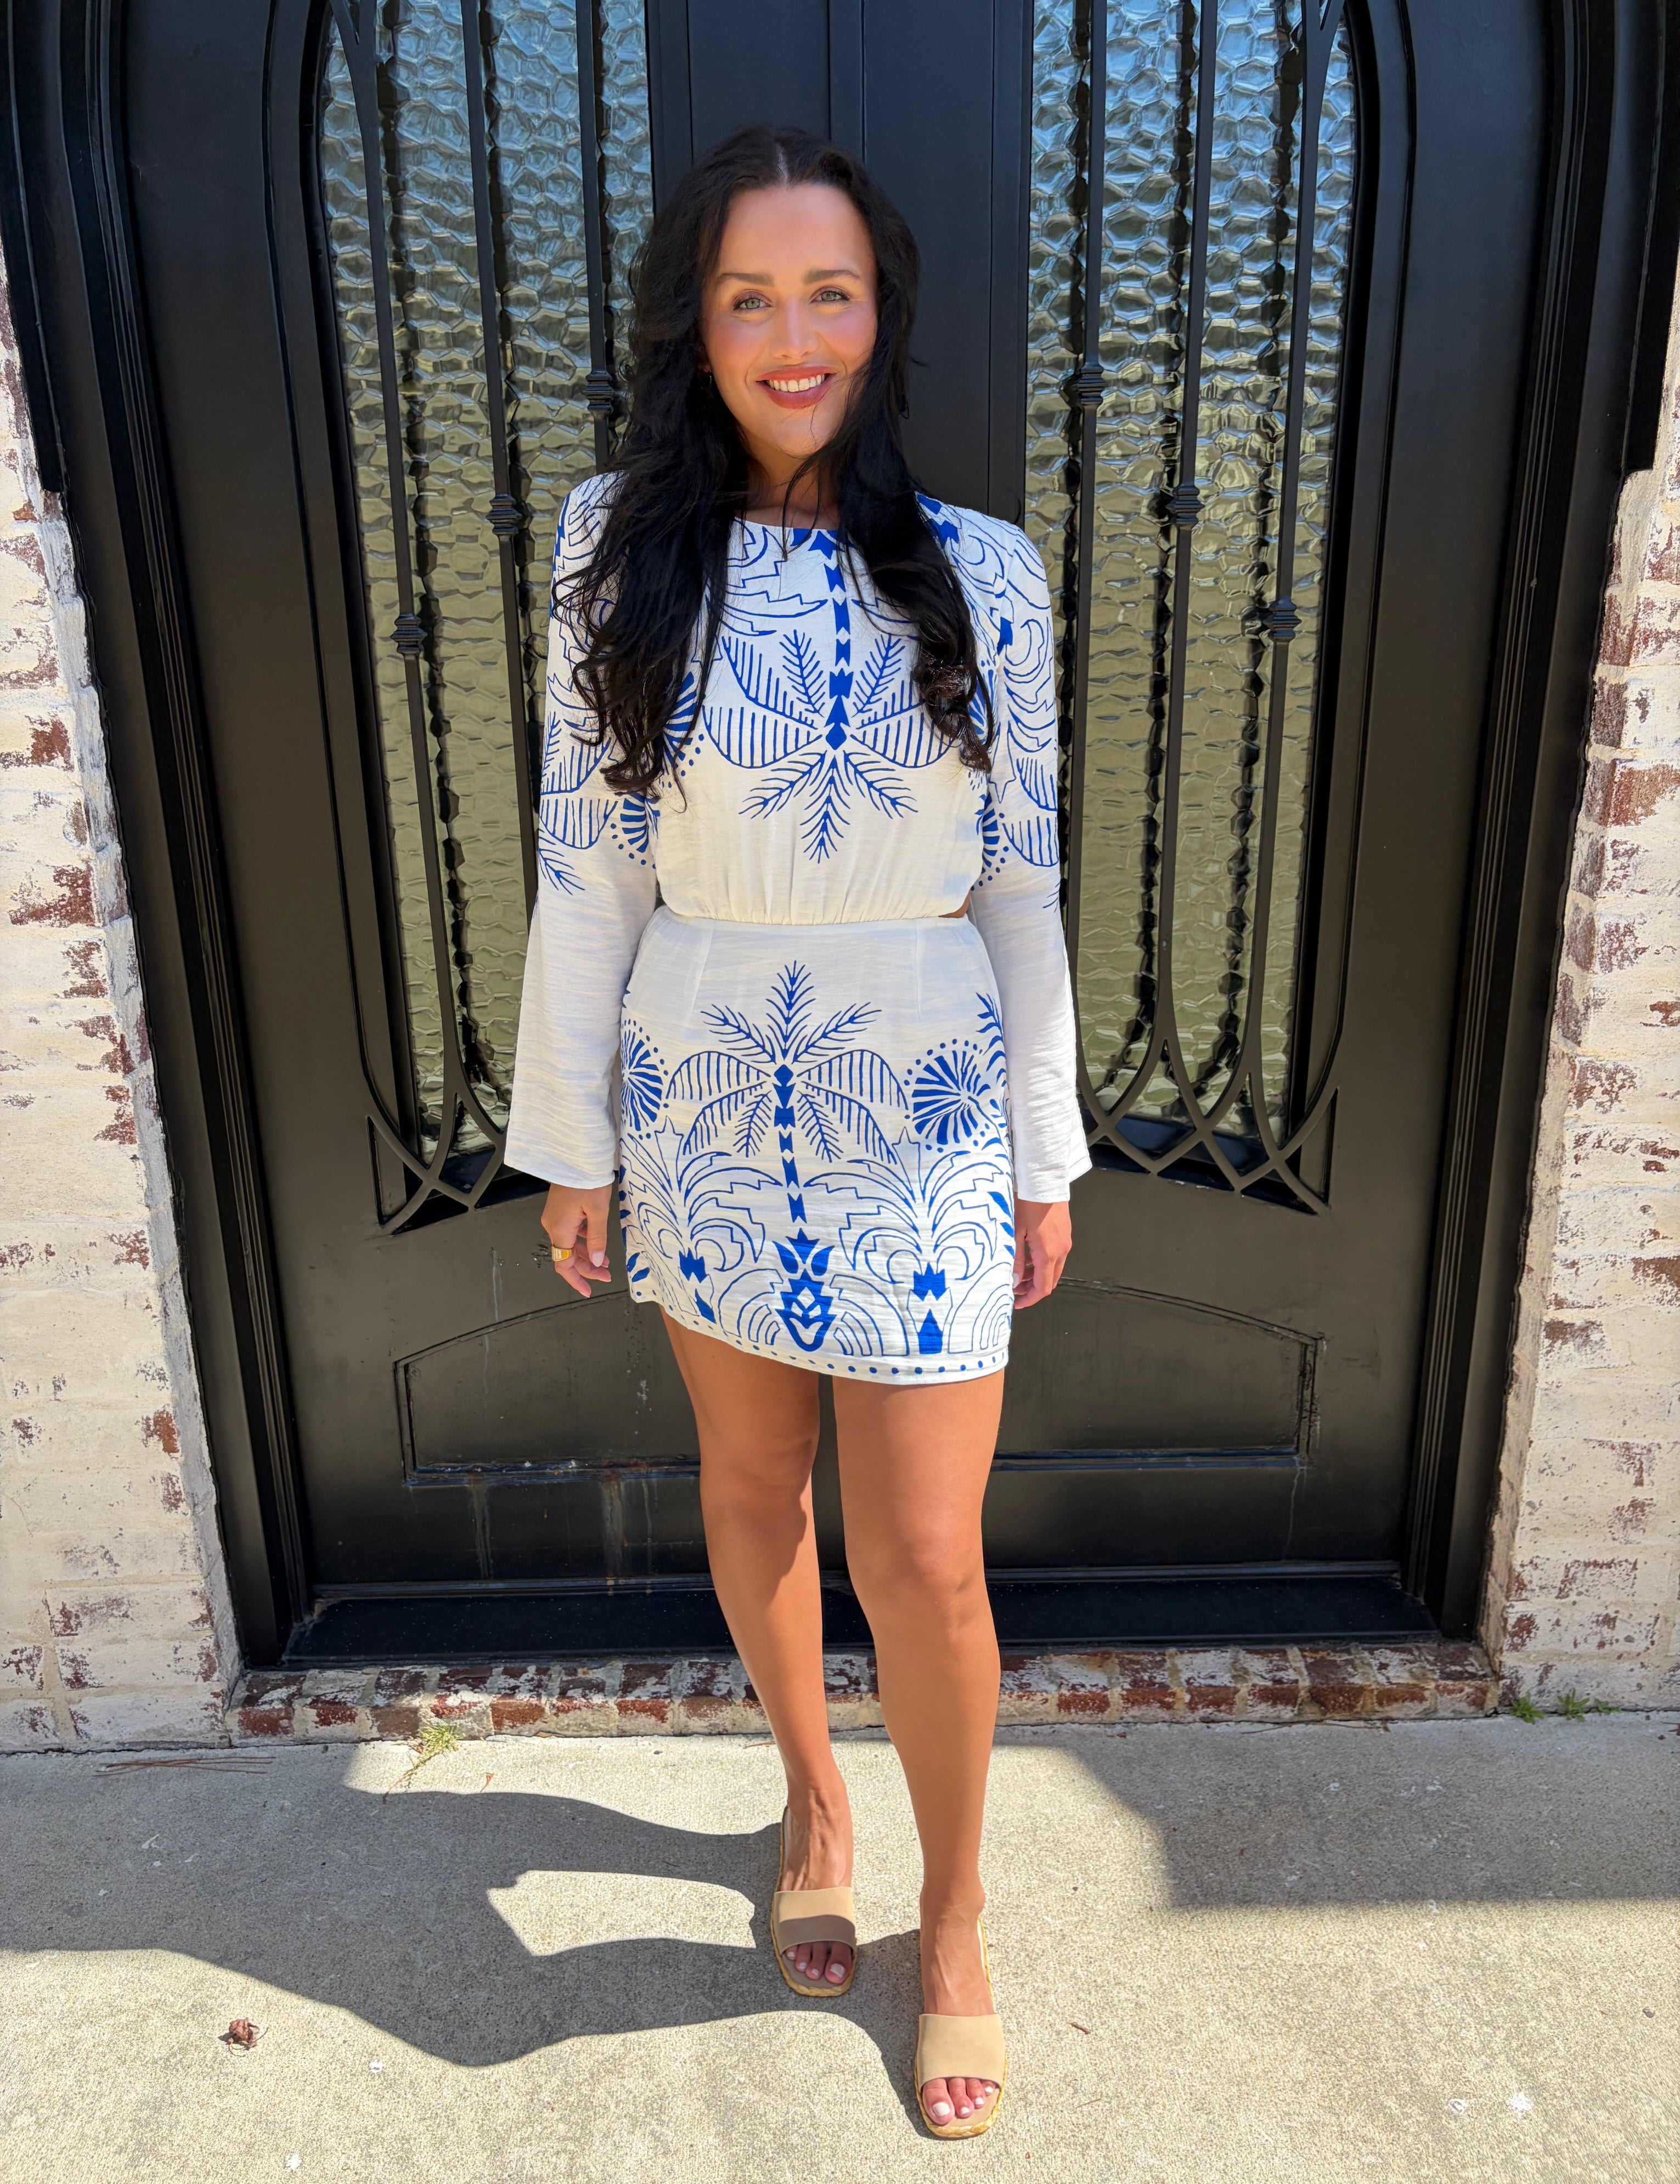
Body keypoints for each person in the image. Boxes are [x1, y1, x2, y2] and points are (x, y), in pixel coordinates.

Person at [506, 122, 1088, 2140]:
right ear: (700, 323)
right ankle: (811, 1791)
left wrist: (1042, 1149)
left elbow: (1022, 883)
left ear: (881, 312)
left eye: (826, 289)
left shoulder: (985, 571)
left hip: (919, 1086)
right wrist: (573, 1138)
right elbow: (588, 871)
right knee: (756, 1488)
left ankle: (963, 1911)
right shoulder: (610, 548)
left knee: (927, 1553)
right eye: (749, 294)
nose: (791, 332)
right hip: (702, 1086)